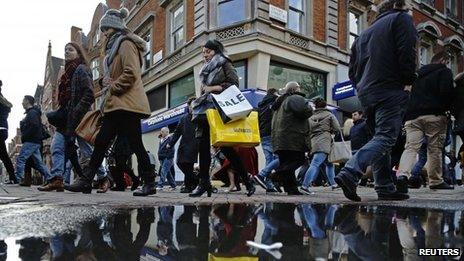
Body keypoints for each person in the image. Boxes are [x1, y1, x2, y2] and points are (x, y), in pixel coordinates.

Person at [65, 8, 156, 196]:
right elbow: (111, 75)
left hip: (127, 104)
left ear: (113, 28)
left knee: (135, 143)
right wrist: (103, 82)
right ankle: (87, 180)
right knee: (101, 142)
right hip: (116, 104)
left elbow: (131, 73)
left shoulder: (125, 44)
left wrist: (111, 86)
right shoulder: (114, 48)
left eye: (105, 30)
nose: (103, 35)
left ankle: (149, 182)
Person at [335, 0, 418, 201]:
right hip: (389, 87)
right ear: (398, 7)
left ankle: (384, 186)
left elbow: (352, 70)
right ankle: (351, 171)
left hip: (367, 92)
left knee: (379, 138)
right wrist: (408, 80)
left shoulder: (363, 34)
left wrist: (361, 86)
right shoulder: (401, 20)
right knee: (387, 136)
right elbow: (407, 52)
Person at [39, 42, 109, 192]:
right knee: (56, 146)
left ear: (78, 53)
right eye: (65, 50)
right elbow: (64, 100)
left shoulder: (81, 69)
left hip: (79, 117)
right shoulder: (65, 75)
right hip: (65, 118)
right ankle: (57, 179)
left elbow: (89, 94)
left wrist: (77, 111)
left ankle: (103, 178)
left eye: (70, 49)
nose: (66, 52)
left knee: (87, 151)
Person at [189, 39, 255, 197]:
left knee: (226, 148)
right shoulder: (204, 69)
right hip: (204, 110)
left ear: (216, 51)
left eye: (208, 51)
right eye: (203, 52)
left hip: (219, 108)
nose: (205, 55)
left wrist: (213, 88)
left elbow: (233, 85)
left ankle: (247, 181)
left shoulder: (224, 63)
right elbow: (203, 91)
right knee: (202, 147)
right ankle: (204, 183)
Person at [397, 51, 454, 190]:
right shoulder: (444, 72)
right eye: (448, 62)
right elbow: (446, 92)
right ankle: (435, 181)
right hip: (434, 114)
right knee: (434, 149)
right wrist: (447, 110)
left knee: (410, 147)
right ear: (443, 61)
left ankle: (402, 175)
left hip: (412, 117)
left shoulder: (418, 75)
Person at [271, 81, 313, 195]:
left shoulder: (279, 103)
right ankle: (276, 175)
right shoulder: (295, 98)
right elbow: (305, 111)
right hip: (292, 137)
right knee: (299, 159)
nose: (300, 90)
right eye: (299, 88)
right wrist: (310, 107)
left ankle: (292, 189)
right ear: (294, 89)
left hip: (280, 138)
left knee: (286, 162)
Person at [300, 98, 341, 194]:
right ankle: (304, 186)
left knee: (329, 164)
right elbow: (337, 128)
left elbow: (307, 130)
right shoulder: (329, 115)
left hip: (314, 142)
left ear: (315, 106)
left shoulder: (310, 117)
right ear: (325, 106)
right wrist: (330, 130)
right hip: (324, 142)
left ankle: (334, 185)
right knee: (315, 164)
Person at [14, 96, 51, 184]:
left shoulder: (32, 113)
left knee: (21, 159)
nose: (22, 103)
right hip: (35, 141)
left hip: (31, 141)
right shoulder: (33, 112)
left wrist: (25, 136)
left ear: (27, 101)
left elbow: (34, 126)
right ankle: (51, 178)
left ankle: (17, 179)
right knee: (39, 163)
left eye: (23, 101)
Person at [167, 97, 199, 193]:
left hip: (194, 144)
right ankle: (195, 180)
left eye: (195, 105)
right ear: (188, 106)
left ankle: (189, 186)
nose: (193, 107)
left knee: (189, 165)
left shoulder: (199, 117)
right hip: (183, 144)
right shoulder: (183, 118)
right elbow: (177, 132)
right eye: (191, 105)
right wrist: (171, 143)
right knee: (180, 163)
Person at [254, 88, 281, 193]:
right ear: (275, 93)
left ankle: (269, 186)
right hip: (273, 134)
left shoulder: (260, 106)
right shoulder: (276, 103)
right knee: (281, 158)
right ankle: (261, 174)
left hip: (262, 135)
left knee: (269, 160)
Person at [0, 81, 15, 184]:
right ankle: (13, 177)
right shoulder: (4, 103)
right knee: (4, 155)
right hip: (3, 130)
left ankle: (13, 177)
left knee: (4, 155)